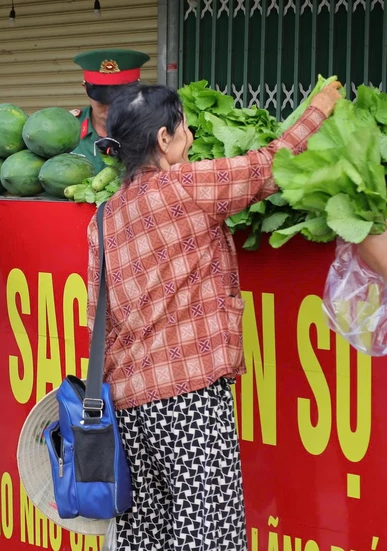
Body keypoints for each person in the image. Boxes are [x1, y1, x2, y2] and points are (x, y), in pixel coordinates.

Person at [86, 80, 342, 550]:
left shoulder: (104, 216)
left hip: (128, 403)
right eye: (182, 126)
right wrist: (319, 109)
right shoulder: (185, 186)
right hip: (188, 399)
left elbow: (97, 319)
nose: (188, 135)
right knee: (211, 534)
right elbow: (269, 165)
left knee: (148, 536)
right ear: (163, 139)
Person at [70, 49, 150, 172]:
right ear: (85, 88)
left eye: (120, 100)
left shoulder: (151, 130)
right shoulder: (69, 128)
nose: (111, 108)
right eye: (102, 100)